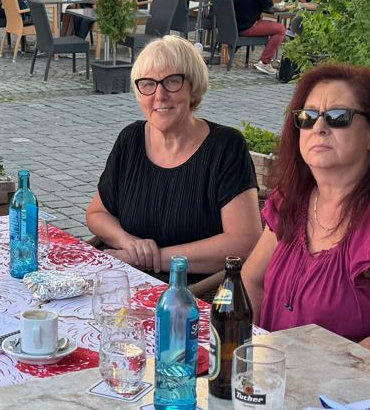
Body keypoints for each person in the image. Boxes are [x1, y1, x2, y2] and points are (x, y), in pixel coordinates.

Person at [241, 64, 370, 362]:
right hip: (271, 383)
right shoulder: (294, 197)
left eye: (338, 117)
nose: (319, 127)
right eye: (307, 117)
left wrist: (308, 372)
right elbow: (251, 280)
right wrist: (241, 357)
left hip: (347, 396)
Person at [86, 34, 260, 279]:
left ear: (193, 87)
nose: (159, 95)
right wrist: (129, 243)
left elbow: (244, 243)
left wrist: (155, 259)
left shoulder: (226, 147)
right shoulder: (131, 139)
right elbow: (97, 214)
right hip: (127, 282)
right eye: (148, 84)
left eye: (172, 82)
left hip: (191, 297)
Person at [230, 0, 286, 74]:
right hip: (246, 26)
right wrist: (284, 7)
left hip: (234, 24)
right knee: (280, 29)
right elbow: (269, 7)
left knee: (265, 22)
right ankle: (265, 62)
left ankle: (233, 49)